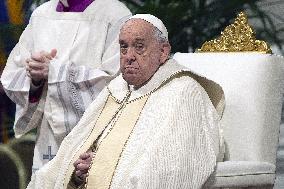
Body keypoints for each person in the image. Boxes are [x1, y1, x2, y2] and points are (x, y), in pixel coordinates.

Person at [27, 14, 225, 189]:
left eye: (139, 47)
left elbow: (169, 166)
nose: (129, 56)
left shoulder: (183, 92)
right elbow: (75, 151)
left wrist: (99, 167)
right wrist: (77, 171)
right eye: (124, 47)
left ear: (163, 52)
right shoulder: (117, 89)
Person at [0, 0, 131, 171]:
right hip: (47, 143)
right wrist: (35, 78)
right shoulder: (41, 15)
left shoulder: (115, 15)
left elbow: (119, 84)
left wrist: (57, 73)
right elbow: (12, 75)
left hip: (95, 144)